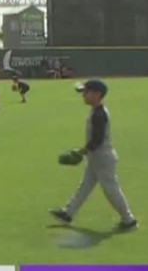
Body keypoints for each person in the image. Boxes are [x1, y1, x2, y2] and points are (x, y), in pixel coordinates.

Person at [49, 79, 138, 231]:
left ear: (97, 94)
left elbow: (97, 139)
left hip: (102, 158)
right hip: (97, 157)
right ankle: (68, 213)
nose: (83, 95)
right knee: (84, 186)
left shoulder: (99, 114)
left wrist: (80, 151)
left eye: (86, 92)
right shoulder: (96, 111)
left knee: (111, 190)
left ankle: (128, 219)